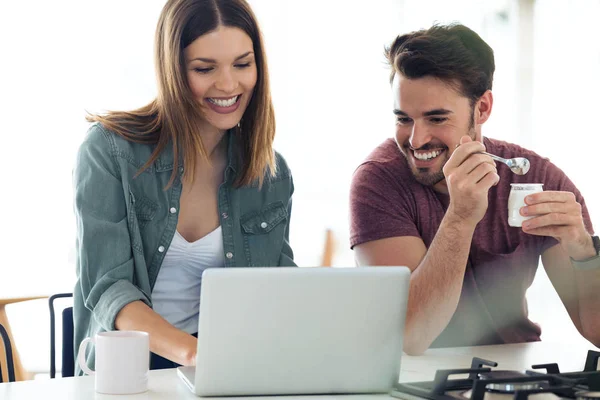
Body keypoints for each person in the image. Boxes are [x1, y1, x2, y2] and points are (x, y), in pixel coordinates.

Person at [349, 23, 600, 355]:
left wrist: (584, 251)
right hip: (414, 378)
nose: (416, 140)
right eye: (404, 119)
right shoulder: (378, 182)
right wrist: (461, 217)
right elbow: (411, 336)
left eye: (436, 119)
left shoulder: (534, 176)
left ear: (482, 109)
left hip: (517, 374)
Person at [73, 0, 295, 374]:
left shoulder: (270, 173)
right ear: (172, 70)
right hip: (127, 372)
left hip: (228, 371)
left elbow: (277, 290)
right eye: (204, 68)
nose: (228, 84)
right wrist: (197, 356)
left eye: (243, 64)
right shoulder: (108, 151)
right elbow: (110, 290)